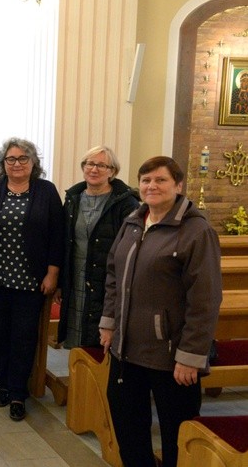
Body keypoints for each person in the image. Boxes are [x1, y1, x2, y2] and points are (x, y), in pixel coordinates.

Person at [99, 156, 222, 467]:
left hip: (171, 356)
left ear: (178, 186)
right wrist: (109, 323)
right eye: (145, 180)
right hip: (126, 349)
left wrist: (190, 355)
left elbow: (205, 299)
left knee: (176, 434)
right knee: (128, 426)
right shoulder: (133, 222)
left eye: (160, 180)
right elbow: (114, 275)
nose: (151, 186)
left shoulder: (195, 231)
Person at [0, 137, 64, 421]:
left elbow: (58, 236)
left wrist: (53, 272)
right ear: (3, 164)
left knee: (23, 338)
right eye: (11, 159)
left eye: (23, 158)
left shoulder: (46, 192)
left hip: (31, 281)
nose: (17, 164)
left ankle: (18, 393)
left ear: (33, 162)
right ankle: (3, 385)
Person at [56, 145, 139, 349]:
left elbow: (130, 247)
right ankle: (79, 378)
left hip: (106, 279)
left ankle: (98, 380)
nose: (94, 169)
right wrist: (61, 281)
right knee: (77, 337)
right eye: (90, 164)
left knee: (100, 340)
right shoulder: (73, 198)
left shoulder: (125, 203)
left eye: (102, 165)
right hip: (76, 277)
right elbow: (64, 241)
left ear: (112, 171)